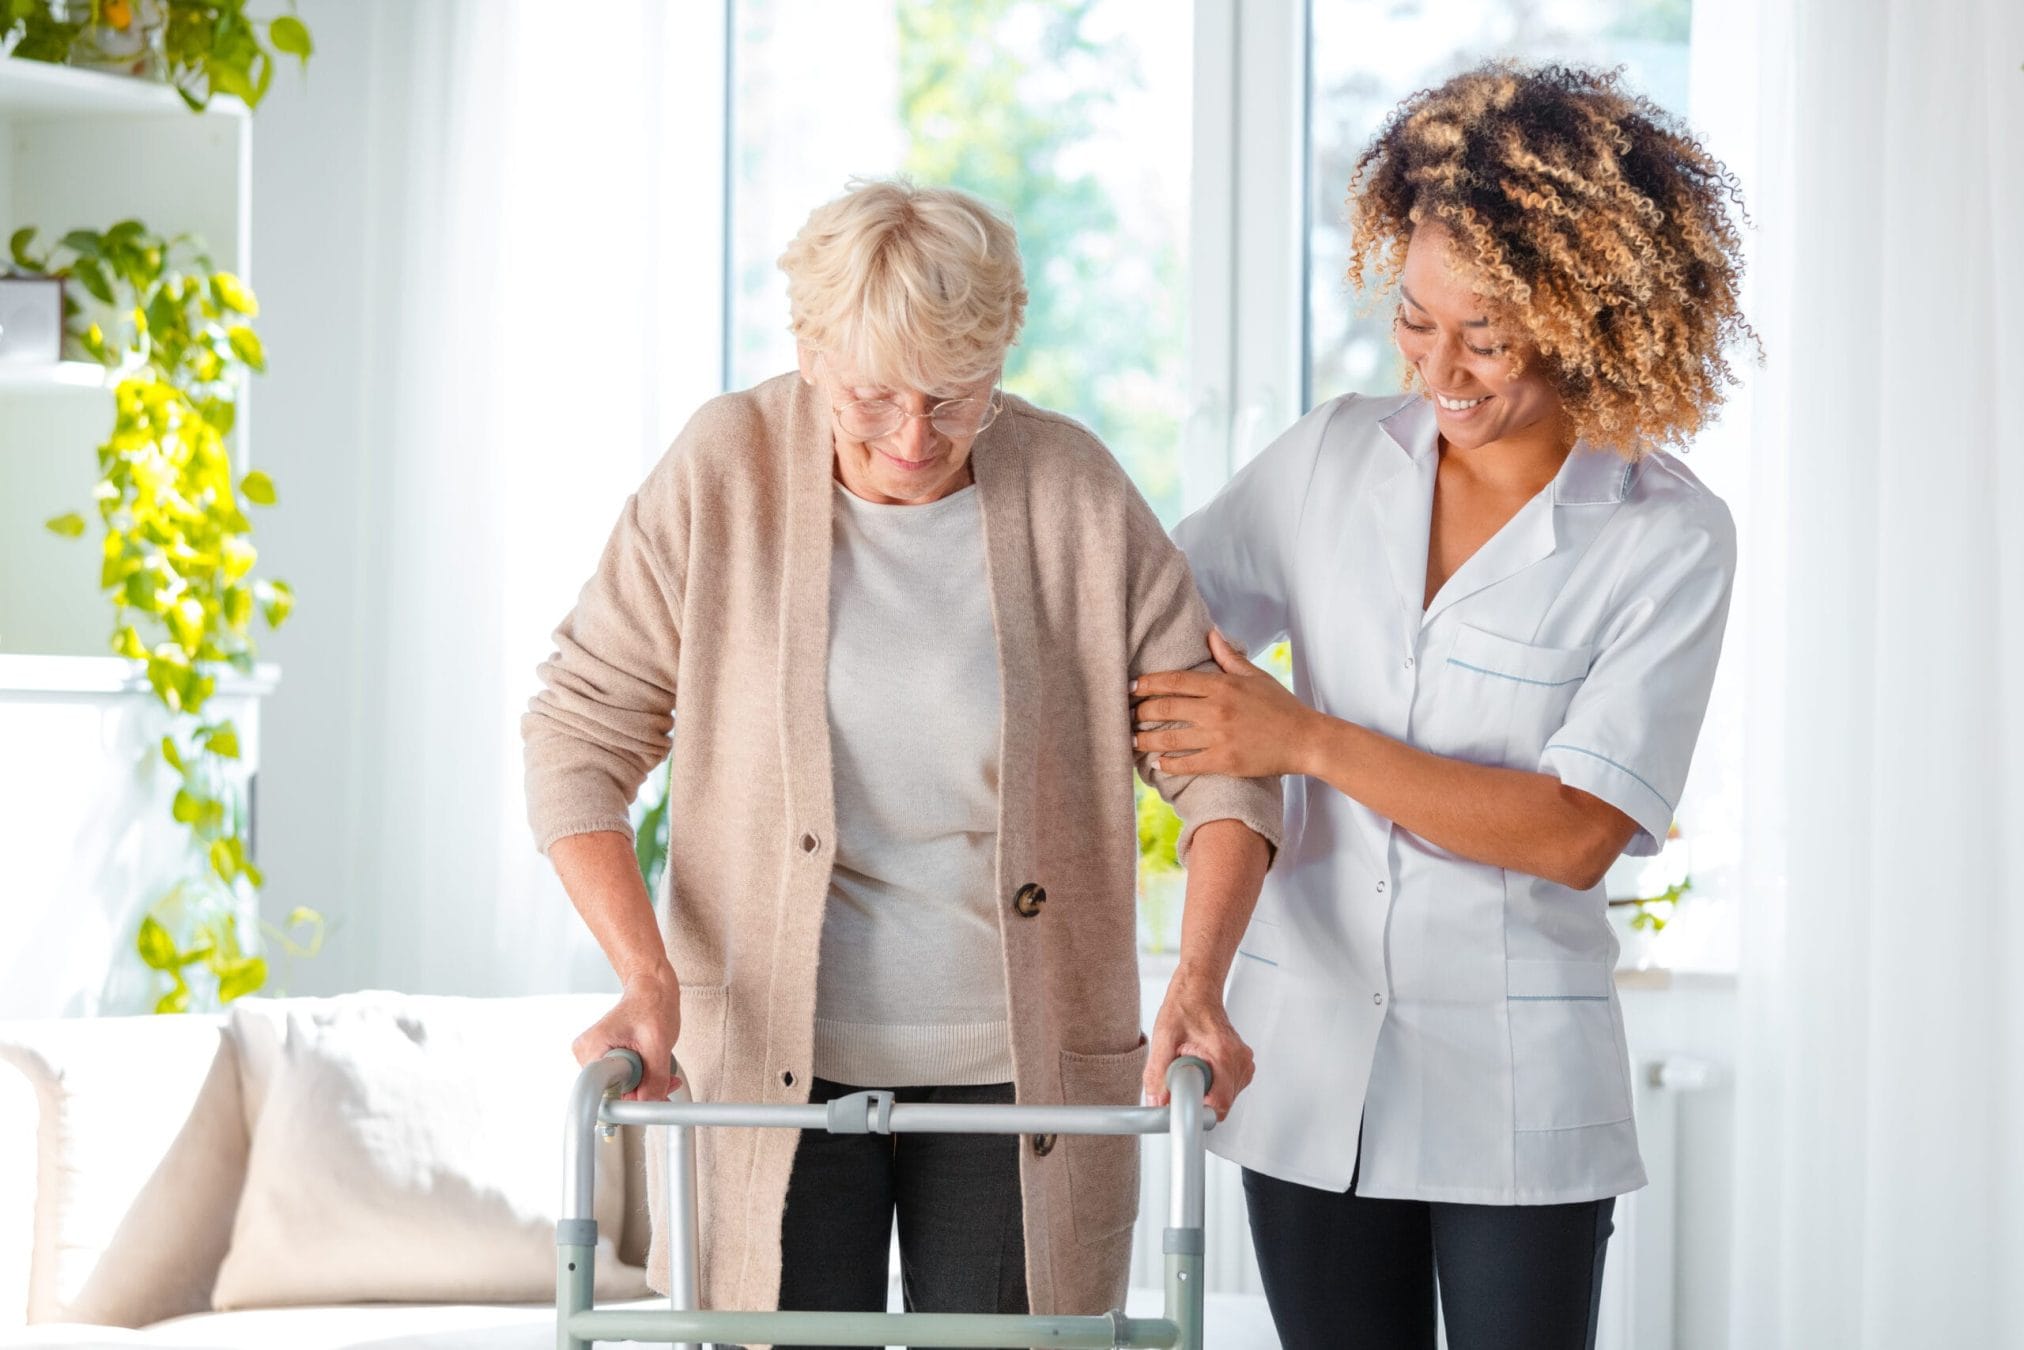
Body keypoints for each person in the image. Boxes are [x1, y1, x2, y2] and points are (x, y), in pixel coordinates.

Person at [521, 178, 1279, 1339]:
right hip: (765, 1070)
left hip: (1019, 1080)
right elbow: (577, 732)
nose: (914, 439)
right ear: (810, 352)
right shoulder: (725, 468)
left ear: (1002, 357)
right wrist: (644, 976)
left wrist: (1198, 982)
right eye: (872, 397)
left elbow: (1222, 762)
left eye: (954, 397)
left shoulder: (1071, 489)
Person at [1133, 63, 1751, 1349]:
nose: (1440, 370)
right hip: (1304, 1058)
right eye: (1415, 321)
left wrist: (1304, 739)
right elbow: (1143, 627)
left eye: (1487, 336)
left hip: (1512, 1088)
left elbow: (1572, 831)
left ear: (1591, 320)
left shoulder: (1666, 537)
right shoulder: (1327, 458)